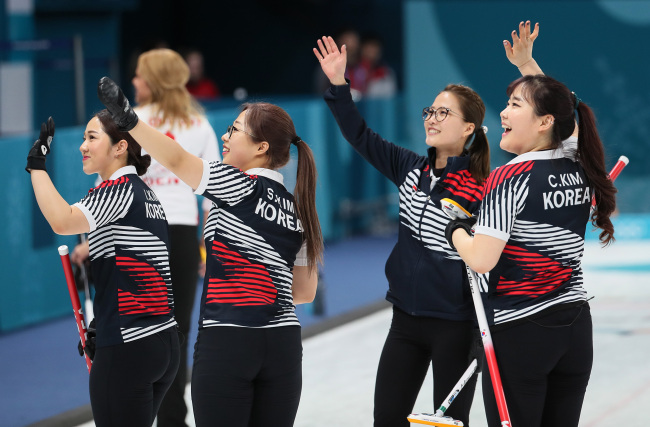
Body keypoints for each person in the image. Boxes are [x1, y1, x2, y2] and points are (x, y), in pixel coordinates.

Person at [97, 76, 324, 427]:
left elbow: (175, 157)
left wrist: (129, 120)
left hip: (229, 341)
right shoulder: (300, 207)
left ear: (261, 147)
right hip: (284, 345)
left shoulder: (235, 184)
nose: (224, 137)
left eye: (234, 131)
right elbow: (304, 293)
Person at [314, 35, 491, 426]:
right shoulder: (410, 167)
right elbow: (359, 135)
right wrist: (339, 85)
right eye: (430, 110)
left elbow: (495, 261)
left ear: (469, 129)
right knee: (387, 420)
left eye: (444, 113)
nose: (431, 117)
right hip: (405, 321)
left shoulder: (485, 188)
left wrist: (487, 332)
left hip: (457, 327)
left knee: (449, 426)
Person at [446, 58, 617, 427]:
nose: (504, 112)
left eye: (515, 105)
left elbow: (481, 260)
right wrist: (528, 65)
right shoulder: (578, 160)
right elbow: (563, 111)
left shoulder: (509, 177)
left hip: (522, 331)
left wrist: (456, 229)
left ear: (544, 122)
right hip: (574, 330)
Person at [73, 47, 222, 427]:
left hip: (133, 232)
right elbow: (212, 195)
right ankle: (172, 419)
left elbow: (105, 180)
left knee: (127, 328)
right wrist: (211, 247)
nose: (134, 81)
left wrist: (88, 239)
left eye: (139, 75)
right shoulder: (199, 124)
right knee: (174, 330)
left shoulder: (126, 122)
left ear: (153, 79)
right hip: (183, 234)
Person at [27, 112, 180, 426]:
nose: (83, 146)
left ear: (120, 146)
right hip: (162, 342)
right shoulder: (146, 194)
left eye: (92, 137)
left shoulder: (118, 190)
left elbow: (62, 220)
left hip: (130, 346)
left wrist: (36, 166)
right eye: (83, 138)